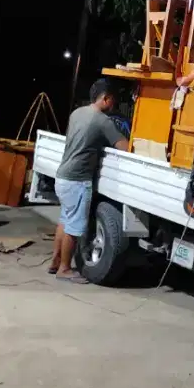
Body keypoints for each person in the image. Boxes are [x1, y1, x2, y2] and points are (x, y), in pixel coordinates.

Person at [51, 78, 129, 283]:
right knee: (74, 227)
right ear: (105, 98)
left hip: (62, 177)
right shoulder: (102, 120)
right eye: (112, 101)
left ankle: (55, 262)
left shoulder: (77, 113)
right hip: (78, 181)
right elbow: (125, 148)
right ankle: (65, 269)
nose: (113, 105)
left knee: (65, 220)